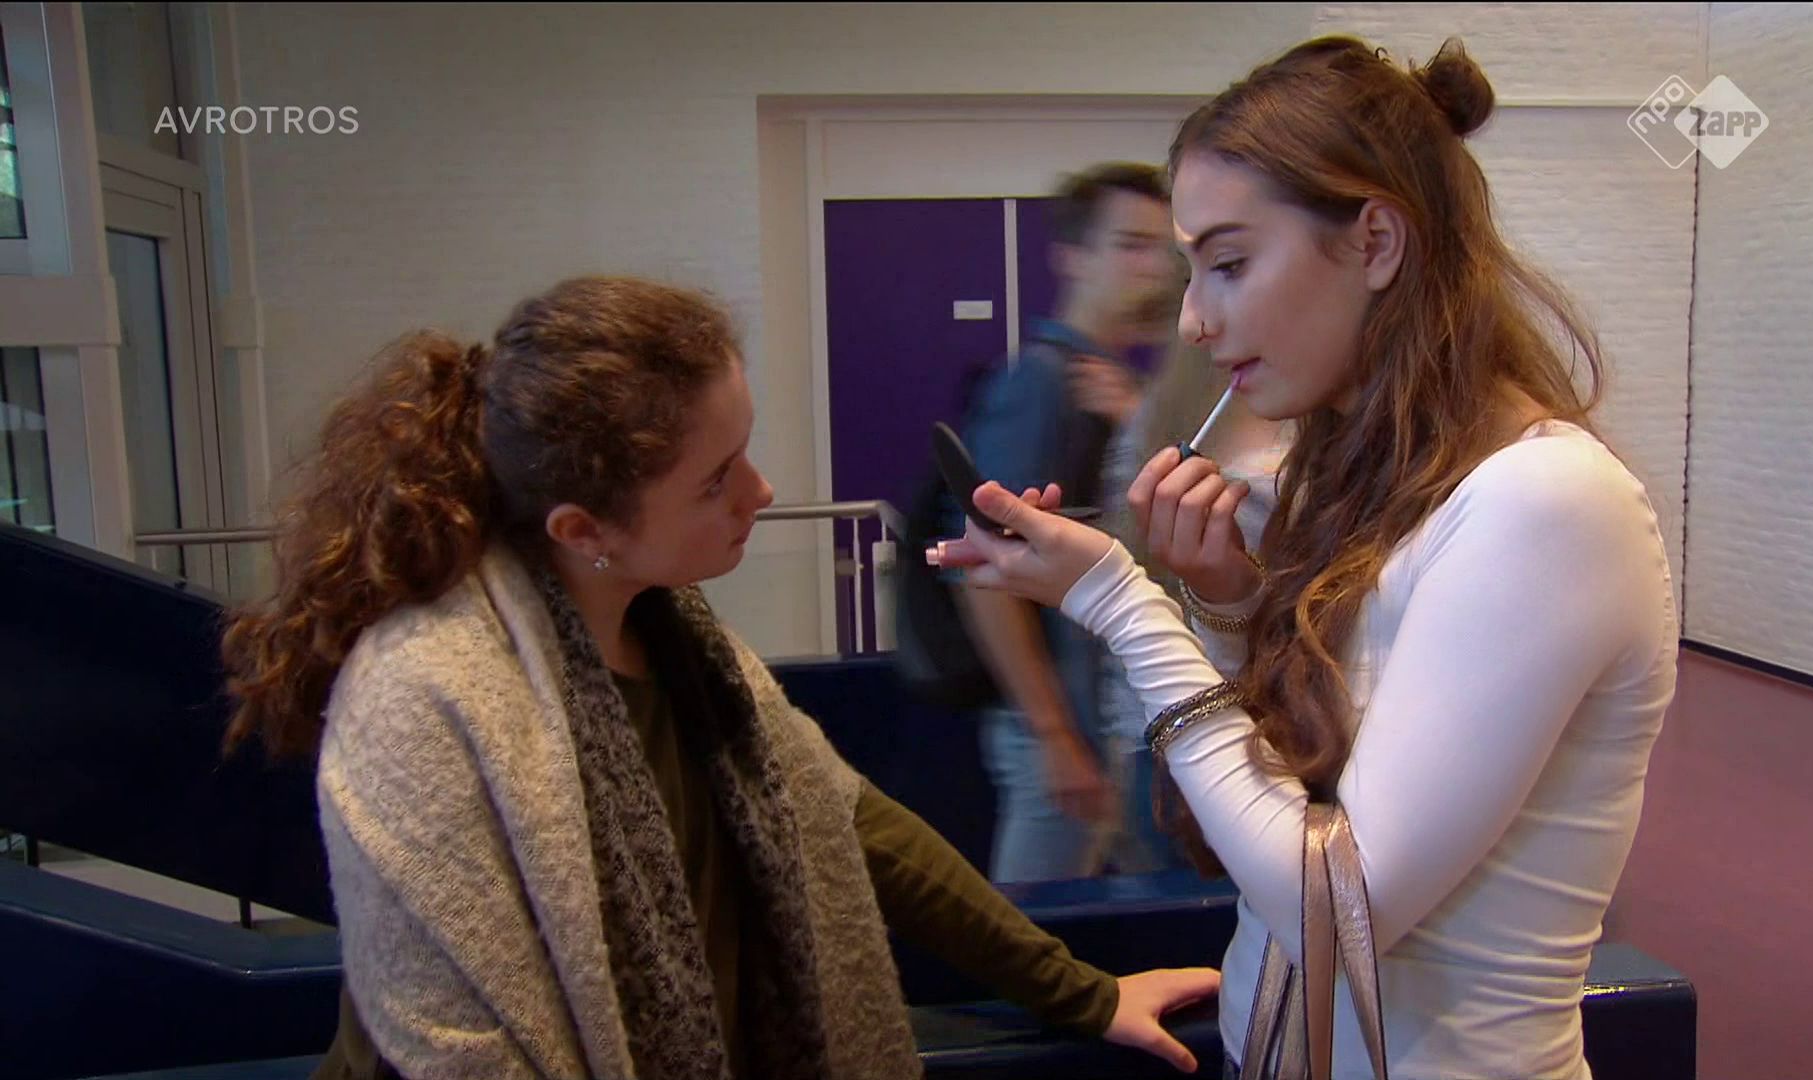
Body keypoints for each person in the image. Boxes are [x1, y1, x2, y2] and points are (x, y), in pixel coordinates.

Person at [218, 276, 1219, 1080]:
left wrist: (1081, 992)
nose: (761, 491)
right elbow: (454, 1044)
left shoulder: (676, 637)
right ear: (585, 529)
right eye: (715, 479)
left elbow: (849, 821)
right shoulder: (420, 696)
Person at [932, 36, 1679, 1080]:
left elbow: (1339, 908)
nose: (1194, 320)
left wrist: (1123, 602)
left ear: (1375, 242)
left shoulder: (1546, 504)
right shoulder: (1351, 486)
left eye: (1230, 265)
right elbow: (1277, 806)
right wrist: (1225, 605)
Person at [954, 161, 1183, 883]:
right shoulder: (1042, 385)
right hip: (1059, 729)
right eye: (1130, 246)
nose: (1154, 269)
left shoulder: (1116, 386)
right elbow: (984, 572)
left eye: (1162, 250)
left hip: (1105, 721)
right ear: (1074, 256)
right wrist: (1055, 737)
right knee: (1035, 932)